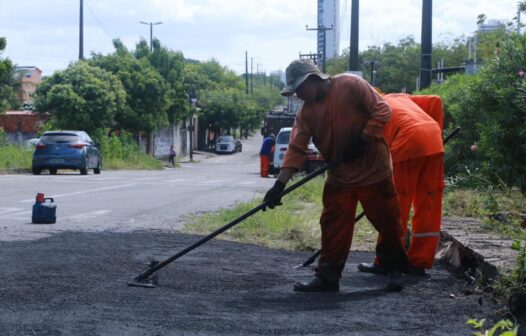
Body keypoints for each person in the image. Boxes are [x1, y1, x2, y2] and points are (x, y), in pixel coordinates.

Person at [263, 59, 409, 292]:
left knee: (387, 221)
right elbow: (296, 148)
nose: (298, 95)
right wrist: (279, 186)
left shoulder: (351, 84)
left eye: (299, 89)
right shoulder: (306, 113)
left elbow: (383, 110)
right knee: (332, 225)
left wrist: (363, 139)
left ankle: (395, 268)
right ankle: (327, 276)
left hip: (373, 169)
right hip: (339, 176)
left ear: (312, 80)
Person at [358, 93, 444, 276]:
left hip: (408, 141)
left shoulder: (373, 109)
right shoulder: (401, 96)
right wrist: (435, 133)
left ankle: (386, 262)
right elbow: (436, 101)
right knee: (428, 203)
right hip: (434, 139)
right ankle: (419, 262)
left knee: (396, 206)